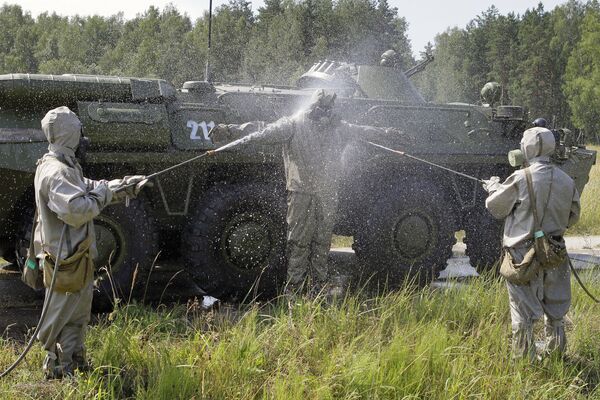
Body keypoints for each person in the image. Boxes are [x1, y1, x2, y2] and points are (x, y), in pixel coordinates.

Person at [209, 89, 407, 298]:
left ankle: (318, 288)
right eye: (322, 106)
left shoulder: (337, 127)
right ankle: (294, 290)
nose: (325, 112)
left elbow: (364, 132)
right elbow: (260, 130)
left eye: (329, 108)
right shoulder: (293, 124)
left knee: (322, 242)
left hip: (326, 193)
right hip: (301, 192)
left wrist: (389, 135)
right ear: (313, 105)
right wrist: (230, 131)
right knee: (299, 243)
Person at [34, 106, 150, 378]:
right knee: (62, 316)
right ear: (69, 134)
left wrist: (122, 186)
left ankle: (74, 360)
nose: (82, 136)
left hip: (76, 257)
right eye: (78, 130)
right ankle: (58, 367)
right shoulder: (56, 172)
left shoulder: (64, 166)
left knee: (77, 315)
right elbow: (77, 210)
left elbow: (88, 186)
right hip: (65, 259)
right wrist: (102, 195)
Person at [483, 126, 580, 361]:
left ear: (528, 148)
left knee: (522, 312)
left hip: (521, 256)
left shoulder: (520, 178)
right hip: (554, 251)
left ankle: (524, 364)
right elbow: (573, 216)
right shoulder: (567, 180)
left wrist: (493, 187)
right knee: (556, 310)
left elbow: (495, 207)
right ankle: (556, 356)